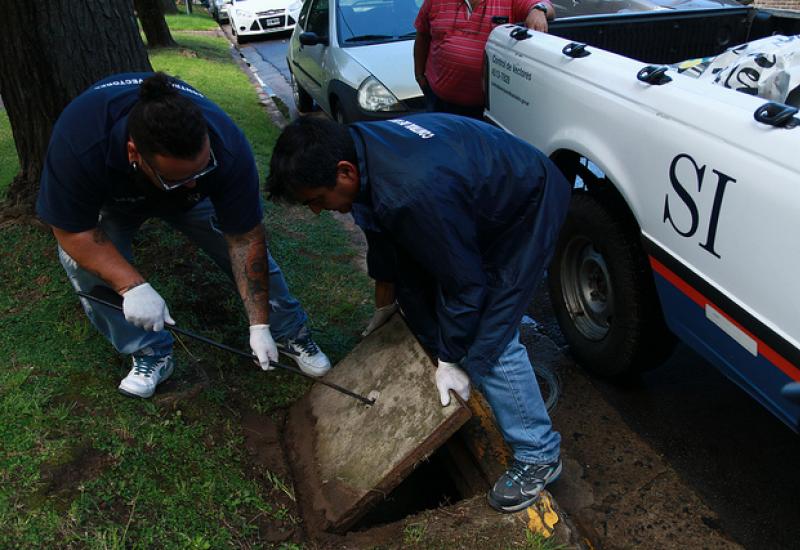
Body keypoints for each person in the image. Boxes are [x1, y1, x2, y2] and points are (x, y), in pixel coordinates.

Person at [267, 113, 571, 512]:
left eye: (317, 200)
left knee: (490, 332)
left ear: (344, 172)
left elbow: (466, 287)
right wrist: (386, 304)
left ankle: (538, 454)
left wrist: (450, 358)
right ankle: (470, 372)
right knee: (427, 292)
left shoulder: (410, 192)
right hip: (470, 188)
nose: (317, 211)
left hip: (523, 204)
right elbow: (385, 239)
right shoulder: (357, 150)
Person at [36, 72, 330, 399]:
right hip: (115, 199)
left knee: (245, 249)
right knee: (80, 263)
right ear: (134, 152)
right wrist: (132, 286)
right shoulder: (80, 140)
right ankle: (150, 352)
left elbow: (245, 239)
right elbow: (72, 230)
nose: (192, 182)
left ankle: (287, 332)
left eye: (202, 169)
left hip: (192, 204)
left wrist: (259, 324)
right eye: (179, 177)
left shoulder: (226, 144)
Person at [414, 0, 555, 118]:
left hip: (488, 111)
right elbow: (423, 35)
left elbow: (545, 4)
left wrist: (538, 10)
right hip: (440, 104)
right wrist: (419, 75)